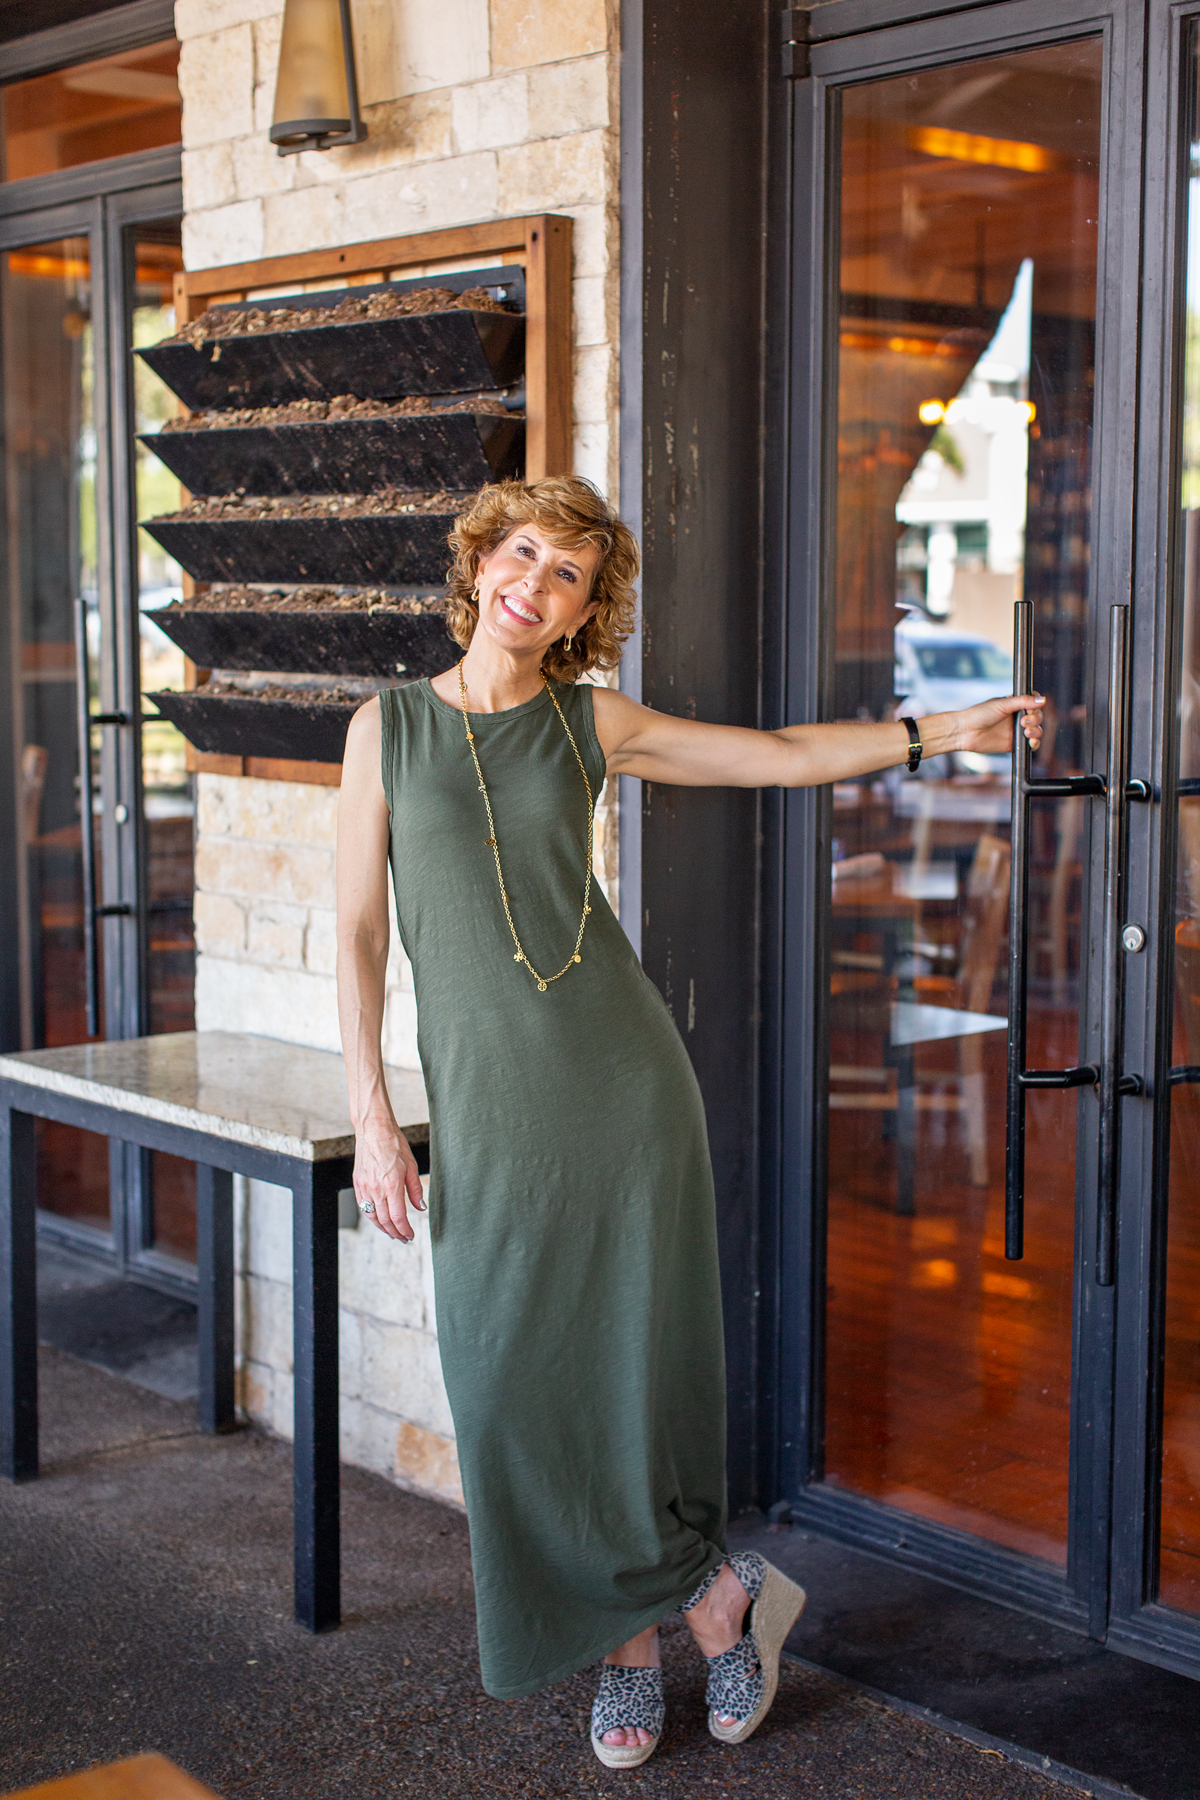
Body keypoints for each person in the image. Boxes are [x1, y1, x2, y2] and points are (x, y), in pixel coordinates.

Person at [335, 475, 1044, 1769]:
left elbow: (771, 759)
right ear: (481, 559)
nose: (532, 585)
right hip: (489, 1111)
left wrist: (944, 733)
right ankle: (715, 1600)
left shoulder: (591, 722)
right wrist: (375, 1117)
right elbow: (359, 933)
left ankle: (642, 1645)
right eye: (524, 554)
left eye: (567, 576)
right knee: (510, 1378)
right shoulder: (384, 731)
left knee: (623, 1369)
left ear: (584, 612)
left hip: (618, 1085)